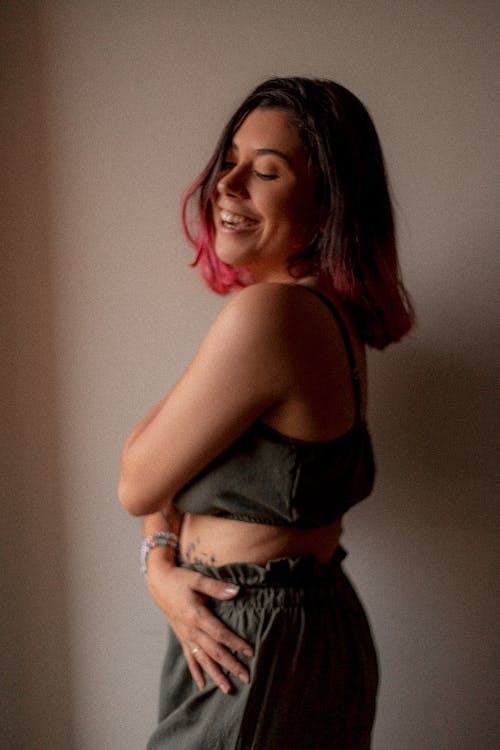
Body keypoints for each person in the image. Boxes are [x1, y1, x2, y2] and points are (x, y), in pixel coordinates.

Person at [119, 77, 414, 750]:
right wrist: (159, 564)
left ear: (325, 202)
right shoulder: (310, 313)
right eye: (229, 161)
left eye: (268, 170)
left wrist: (157, 554)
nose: (227, 185)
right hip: (265, 628)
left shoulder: (272, 315)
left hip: (253, 637)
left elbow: (137, 477)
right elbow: (154, 472)